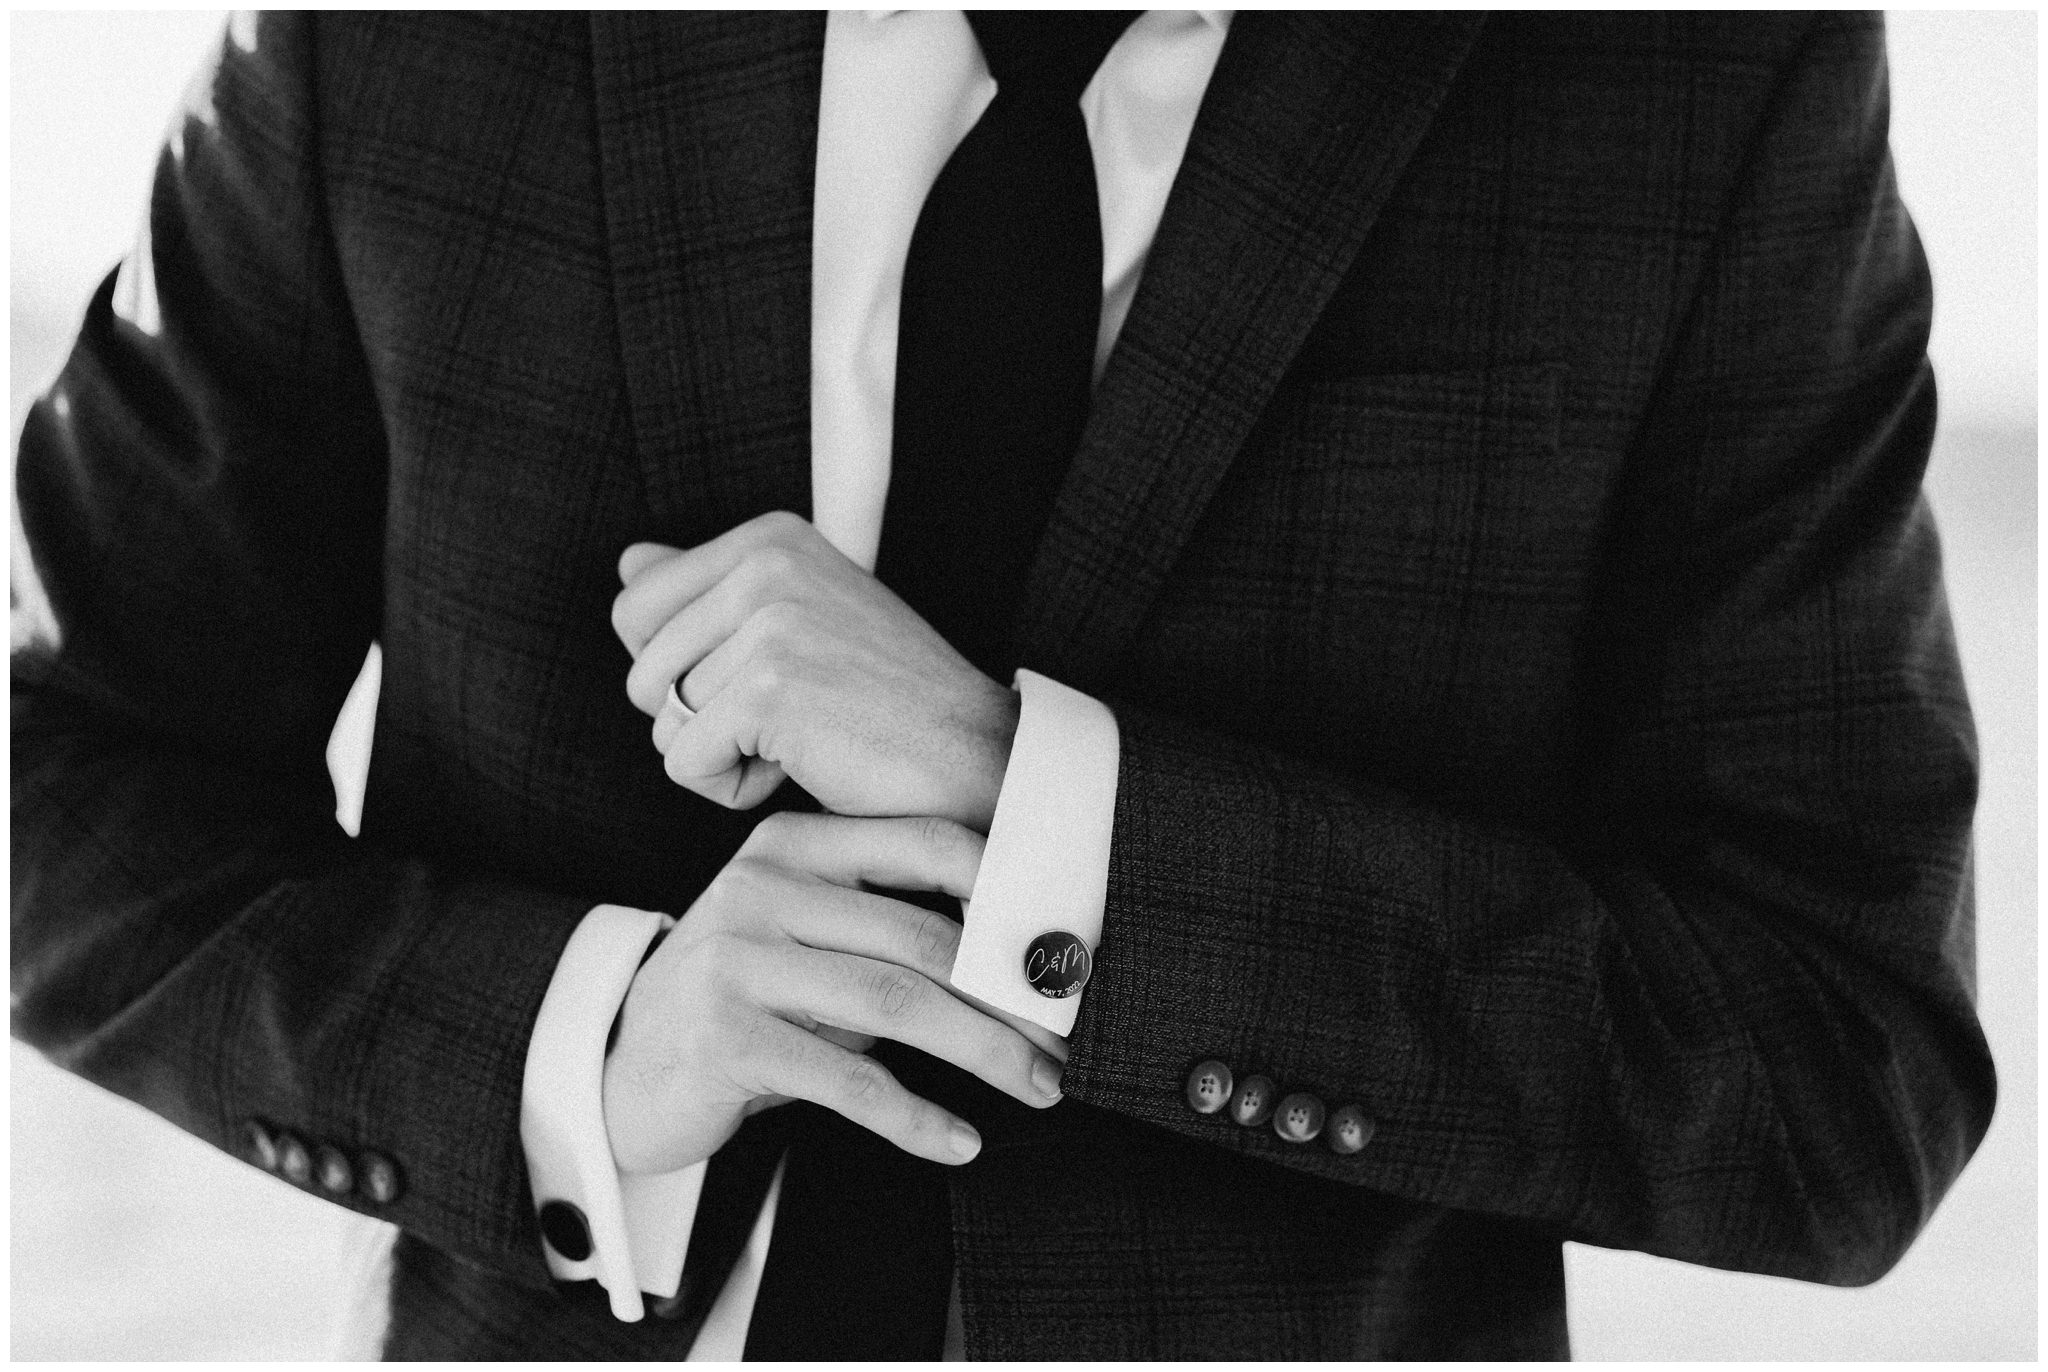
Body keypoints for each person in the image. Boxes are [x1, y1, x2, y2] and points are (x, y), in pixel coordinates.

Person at [11, 10, 1994, 1361]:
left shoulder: (1686, 73)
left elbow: (1834, 1072)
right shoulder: (411, 37)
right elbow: (61, 773)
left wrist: (1046, 817)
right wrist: (585, 1049)